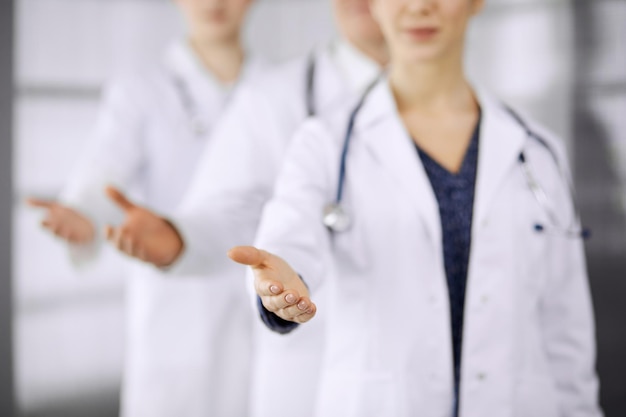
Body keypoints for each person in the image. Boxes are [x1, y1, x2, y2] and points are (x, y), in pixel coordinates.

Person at [229, 0, 603, 416]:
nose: (420, 7)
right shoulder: (324, 142)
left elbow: (565, 329)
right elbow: (291, 236)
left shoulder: (539, 149)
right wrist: (281, 282)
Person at [96, 1, 388, 416]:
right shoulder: (274, 95)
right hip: (309, 367)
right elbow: (230, 209)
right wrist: (181, 237)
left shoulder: (492, 127)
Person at [27, 0, 265, 416]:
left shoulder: (277, 88)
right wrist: (84, 215)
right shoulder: (141, 89)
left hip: (260, 299)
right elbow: (104, 172)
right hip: (174, 303)